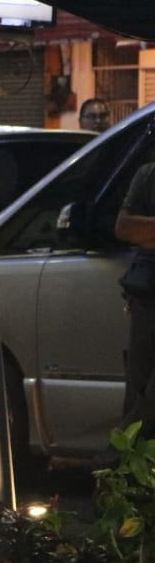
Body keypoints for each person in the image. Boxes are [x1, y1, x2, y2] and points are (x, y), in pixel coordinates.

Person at [114, 161, 155, 439]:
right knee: (141, 399)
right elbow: (124, 228)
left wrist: (148, 234)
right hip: (148, 297)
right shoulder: (149, 175)